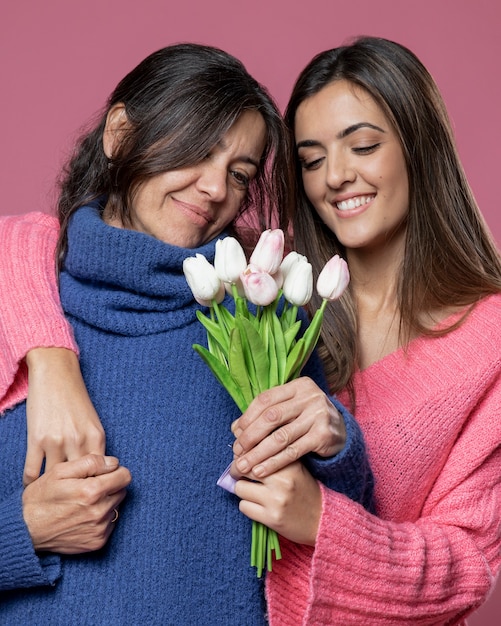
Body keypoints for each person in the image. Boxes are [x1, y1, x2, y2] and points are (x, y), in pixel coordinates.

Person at [0, 43, 373, 624]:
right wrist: (20, 531)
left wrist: (336, 445)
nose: (215, 188)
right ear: (121, 134)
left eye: (240, 173)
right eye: (195, 150)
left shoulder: (266, 318)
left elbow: (343, 551)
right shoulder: (20, 312)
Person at [249, 36, 500, 625]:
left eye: (361, 146)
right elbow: (34, 238)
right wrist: (50, 362)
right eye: (311, 160)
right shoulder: (267, 288)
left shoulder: (489, 341)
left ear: (420, 147)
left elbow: (466, 569)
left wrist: (321, 522)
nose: (335, 177)